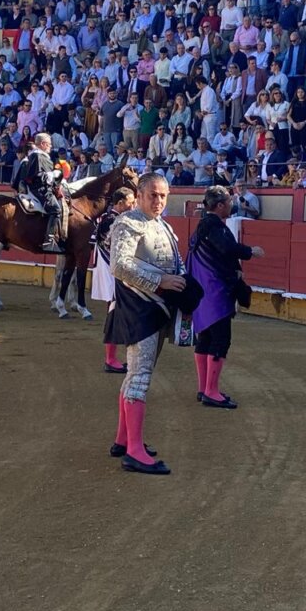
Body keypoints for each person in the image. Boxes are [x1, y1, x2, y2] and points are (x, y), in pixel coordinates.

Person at [107, 172, 188, 475]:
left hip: (157, 309)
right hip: (139, 308)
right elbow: (120, 265)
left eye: (163, 196)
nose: (158, 201)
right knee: (139, 376)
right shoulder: (127, 222)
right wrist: (160, 280)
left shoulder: (162, 226)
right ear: (139, 195)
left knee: (136, 374)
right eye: (153, 195)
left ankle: (124, 440)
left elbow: (176, 265)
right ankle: (135, 452)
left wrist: (184, 295)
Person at [188, 185, 263, 410]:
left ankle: (204, 388)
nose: (231, 205)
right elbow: (227, 248)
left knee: (205, 339)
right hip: (216, 293)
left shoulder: (202, 225)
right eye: (229, 202)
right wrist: (251, 252)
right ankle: (211, 391)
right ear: (219, 205)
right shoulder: (214, 227)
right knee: (220, 340)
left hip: (202, 292)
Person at [92, 187, 137, 373]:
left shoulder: (110, 219)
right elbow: (113, 249)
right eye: (130, 202)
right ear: (119, 203)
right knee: (114, 314)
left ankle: (112, 358)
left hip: (109, 271)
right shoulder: (113, 220)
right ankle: (110, 359)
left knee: (115, 313)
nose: (133, 205)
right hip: (112, 274)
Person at [16, 131, 65, 253]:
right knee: (56, 210)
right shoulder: (38, 156)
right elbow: (37, 177)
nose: (51, 147)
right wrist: (53, 174)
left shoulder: (38, 156)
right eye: (49, 144)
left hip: (43, 187)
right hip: (40, 189)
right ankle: (49, 241)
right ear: (43, 144)